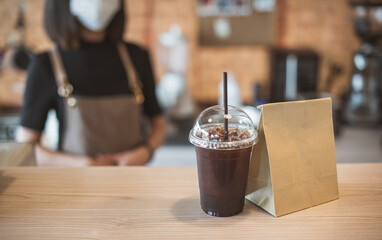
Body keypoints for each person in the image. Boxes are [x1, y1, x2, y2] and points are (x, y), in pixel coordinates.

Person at [16, 0, 166, 166]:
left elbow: (158, 125)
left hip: (134, 181)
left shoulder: (137, 57)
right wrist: (82, 164)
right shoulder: (46, 65)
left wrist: (144, 152)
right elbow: (27, 146)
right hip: (75, 184)